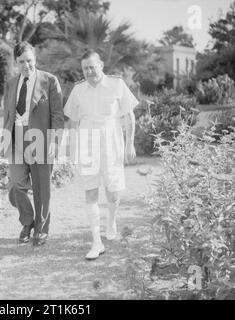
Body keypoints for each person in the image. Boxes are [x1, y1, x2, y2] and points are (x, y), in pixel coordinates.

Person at [64, 50, 138, 260]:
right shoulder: (78, 90)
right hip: (87, 143)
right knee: (90, 192)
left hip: (112, 141)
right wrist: (72, 148)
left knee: (113, 192)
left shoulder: (116, 84)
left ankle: (111, 219)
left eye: (92, 67)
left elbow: (129, 115)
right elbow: (72, 121)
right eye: (85, 68)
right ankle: (96, 241)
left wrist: (130, 143)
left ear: (101, 65)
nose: (89, 71)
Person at [0, 42, 64, 246]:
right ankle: (27, 222)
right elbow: (8, 114)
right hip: (16, 137)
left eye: (29, 60)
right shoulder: (11, 83)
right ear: (15, 62)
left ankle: (41, 229)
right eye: (21, 62)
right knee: (16, 185)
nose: (26, 65)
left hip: (41, 137)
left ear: (35, 59)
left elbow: (57, 115)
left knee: (41, 188)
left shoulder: (49, 81)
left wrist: (54, 140)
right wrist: (4, 139)